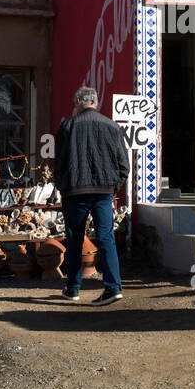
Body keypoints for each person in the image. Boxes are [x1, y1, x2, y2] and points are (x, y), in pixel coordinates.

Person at [54, 85, 130, 305]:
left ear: (78, 101)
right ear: (95, 102)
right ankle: (113, 287)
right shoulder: (112, 126)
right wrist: (113, 187)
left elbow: (59, 164)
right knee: (106, 237)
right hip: (104, 191)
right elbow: (124, 166)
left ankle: (73, 288)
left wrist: (63, 187)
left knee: (75, 238)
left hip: (75, 191)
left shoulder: (68, 125)